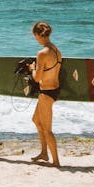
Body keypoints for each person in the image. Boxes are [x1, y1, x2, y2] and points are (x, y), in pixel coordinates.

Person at [29, 21, 62, 167]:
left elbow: (37, 78)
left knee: (47, 129)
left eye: (35, 36)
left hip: (46, 93)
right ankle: (44, 153)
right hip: (54, 89)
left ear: (38, 35)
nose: (35, 38)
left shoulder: (42, 53)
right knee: (36, 120)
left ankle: (56, 161)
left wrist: (32, 68)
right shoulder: (56, 49)